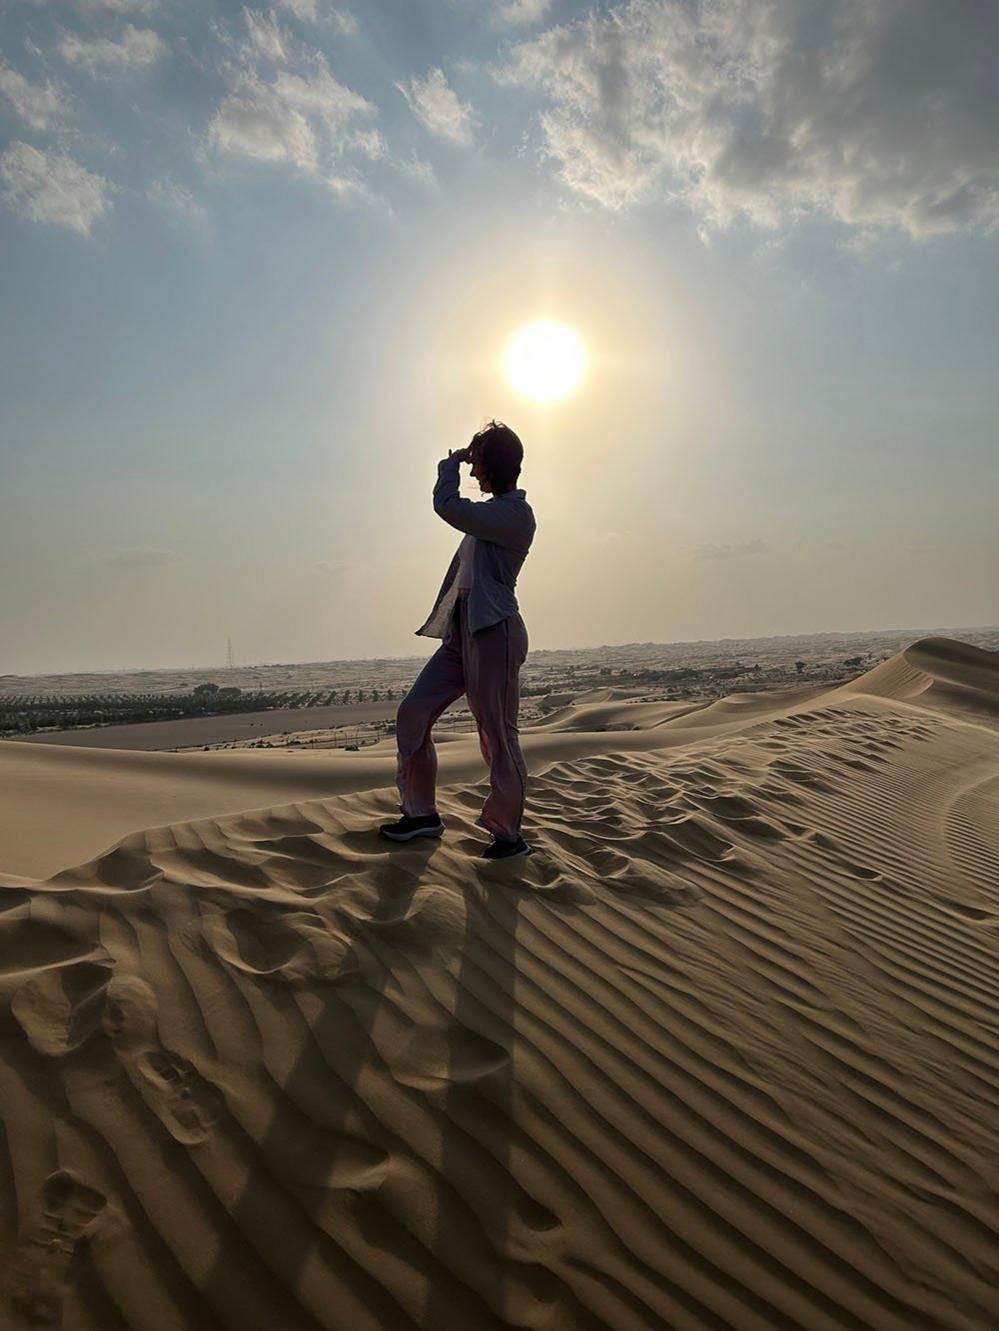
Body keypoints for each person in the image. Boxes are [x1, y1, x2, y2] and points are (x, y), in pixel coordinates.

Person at [379, 420, 537, 860]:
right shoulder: (491, 517)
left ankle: (508, 835)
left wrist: (450, 462)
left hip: (495, 634)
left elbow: (446, 505)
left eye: (478, 464)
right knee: (412, 712)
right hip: (461, 635)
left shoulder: (512, 515)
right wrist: (466, 456)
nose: (473, 472)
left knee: (497, 735)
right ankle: (421, 815)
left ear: (494, 465)